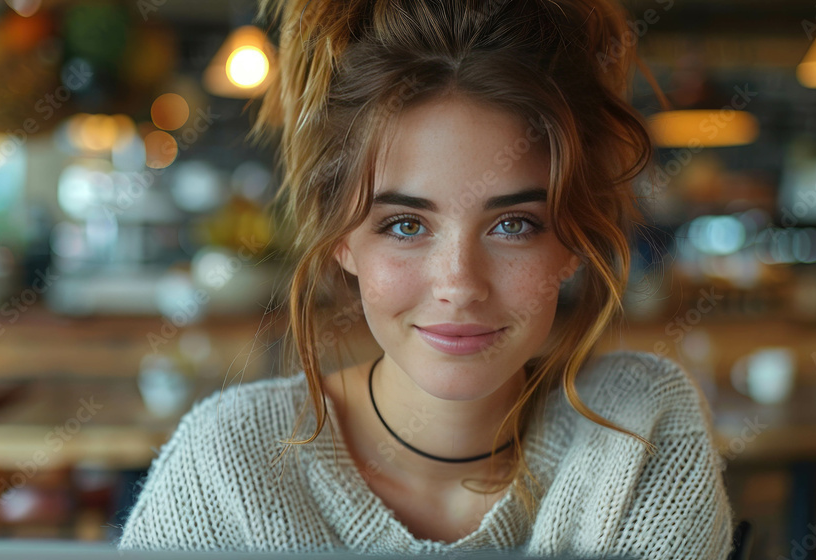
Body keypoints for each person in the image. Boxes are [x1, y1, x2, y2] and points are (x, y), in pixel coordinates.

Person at [116, 0, 737, 557]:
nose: (459, 284)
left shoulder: (637, 432)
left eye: (514, 224)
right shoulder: (229, 462)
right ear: (341, 241)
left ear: (574, 240)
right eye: (406, 225)